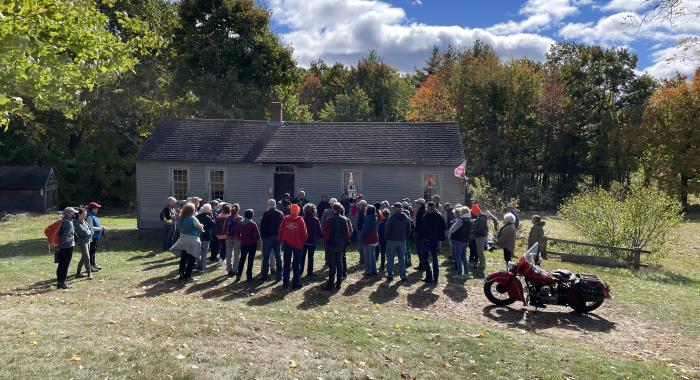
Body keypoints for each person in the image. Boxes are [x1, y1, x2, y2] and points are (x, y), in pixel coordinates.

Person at [170, 203, 204, 282]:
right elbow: (200, 228)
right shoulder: (193, 218)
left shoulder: (181, 217)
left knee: (183, 258)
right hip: (192, 240)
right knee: (191, 258)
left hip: (183, 239)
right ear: (192, 210)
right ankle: (188, 276)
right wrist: (201, 226)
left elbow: (178, 227)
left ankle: (181, 275)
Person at [278, 204, 307, 289]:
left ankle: (285, 283)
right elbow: (305, 234)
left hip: (287, 244)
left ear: (290, 210)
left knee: (286, 263)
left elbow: (280, 231)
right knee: (296, 264)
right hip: (298, 245)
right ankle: (295, 283)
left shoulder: (285, 219)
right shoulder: (300, 220)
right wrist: (302, 241)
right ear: (298, 211)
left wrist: (282, 240)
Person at [322, 203, 350, 290]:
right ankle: (338, 283)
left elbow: (327, 234)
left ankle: (331, 284)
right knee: (339, 263)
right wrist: (344, 242)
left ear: (333, 209)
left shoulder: (329, 220)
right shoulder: (344, 219)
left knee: (332, 265)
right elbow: (347, 233)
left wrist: (325, 244)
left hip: (331, 244)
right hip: (340, 244)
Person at [419, 201, 447, 284]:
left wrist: (421, 237)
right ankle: (435, 278)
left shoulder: (426, 216)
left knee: (425, 257)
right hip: (435, 240)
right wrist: (440, 238)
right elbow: (443, 227)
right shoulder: (439, 216)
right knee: (434, 258)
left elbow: (422, 228)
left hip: (427, 240)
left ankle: (429, 277)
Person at [384, 203, 412, 281]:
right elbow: (409, 229)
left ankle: (390, 275)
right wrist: (405, 237)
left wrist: (386, 238)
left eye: (394, 208)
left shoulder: (392, 218)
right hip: (402, 241)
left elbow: (387, 229)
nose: (392, 209)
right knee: (401, 259)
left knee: (390, 258)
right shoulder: (406, 217)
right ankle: (403, 276)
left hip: (392, 241)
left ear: (396, 208)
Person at [260, 199, 284, 281]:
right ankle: (279, 275)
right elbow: (283, 226)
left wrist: (262, 237)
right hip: (277, 237)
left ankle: (264, 275)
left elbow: (262, 226)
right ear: (275, 205)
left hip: (267, 238)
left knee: (266, 257)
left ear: (268, 205)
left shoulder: (266, 213)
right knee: (278, 256)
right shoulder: (280, 213)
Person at [235, 209, 260, 282]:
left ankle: (238, 275)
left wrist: (242, 239)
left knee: (242, 259)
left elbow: (237, 234)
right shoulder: (253, 224)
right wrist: (254, 240)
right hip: (252, 244)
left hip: (243, 243)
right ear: (252, 215)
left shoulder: (239, 223)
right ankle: (249, 276)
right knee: (250, 260)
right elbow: (257, 235)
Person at [56, 207, 78, 289]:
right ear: (69, 214)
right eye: (73, 213)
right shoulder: (68, 223)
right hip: (66, 247)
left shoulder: (62, 220)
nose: (74, 215)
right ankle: (62, 283)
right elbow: (64, 236)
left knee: (61, 265)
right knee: (64, 265)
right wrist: (60, 246)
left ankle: (60, 282)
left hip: (63, 246)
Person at [449, 207, 473, 279]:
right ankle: (466, 273)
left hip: (458, 241)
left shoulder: (461, 220)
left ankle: (459, 274)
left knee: (458, 257)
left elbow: (451, 230)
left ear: (462, 212)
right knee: (464, 257)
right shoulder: (470, 220)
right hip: (466, 241)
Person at [301, 203, 322, 277]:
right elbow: (319, 231)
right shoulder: (316, 220)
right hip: (312, 242)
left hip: (303, 241)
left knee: (302, 257)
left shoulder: (302, 219)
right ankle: (309, 273)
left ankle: (300, 271)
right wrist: (318, 238)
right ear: (314, 211)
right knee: (310, 257)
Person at [74, 207, 94, 280]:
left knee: (84, 257)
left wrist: (89, 232)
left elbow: (91, 230)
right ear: (79, 214)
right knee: (87, 257)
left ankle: (78, 273)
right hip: (82, 242)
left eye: (86, 214)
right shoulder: (76, 222)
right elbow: (83, 232)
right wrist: (88, 232)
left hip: (87, 241)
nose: (85, 216)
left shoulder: (84, 222)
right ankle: (89, 273)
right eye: (84, 214)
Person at [196, 204, 216, 271]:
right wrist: (212, 216)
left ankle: (198, 265)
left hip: (198, 235)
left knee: (198, 251)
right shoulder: (208, 218)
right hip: (206, 236)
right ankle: (203, 267)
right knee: (204, 253)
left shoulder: (197, 216)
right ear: (208, 210)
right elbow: (214, 225)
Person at [86, 202, 105, 272]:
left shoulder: (94, 216)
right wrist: (100, 229)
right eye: (96, 208)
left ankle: (93, 264)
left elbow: (96, 225)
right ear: (92, 209)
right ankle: (90, 266)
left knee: (93, 252)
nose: (97, 209)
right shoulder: (89, 216)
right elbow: (90, 227)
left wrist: (101, 227)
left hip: (96, 236)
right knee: (91, 252)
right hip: (92, 237)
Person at [224, 204, 243, 277]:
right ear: (238, 210)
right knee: (236, 255)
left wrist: (227, 234)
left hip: (228, 238)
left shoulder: (228, 218)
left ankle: (229, 270)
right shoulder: (240, 218)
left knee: (228, 254)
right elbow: (242, 228)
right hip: (237, 238)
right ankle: (235, 270)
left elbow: (224, 228)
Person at [360, 205, 379, 276]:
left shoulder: (367, 218)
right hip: (374, 238)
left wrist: (362, 236)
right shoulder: (375, 218)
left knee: (368, 256)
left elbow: (365, 230)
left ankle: (368, 271)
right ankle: (374, 270)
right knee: (372, 255)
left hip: (369, 239)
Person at [471, 204, 489, 271]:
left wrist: (473, 231)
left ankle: (482, 265)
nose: (474, 214)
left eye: (474, 212)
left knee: (480, 251)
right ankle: (482, 263)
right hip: (479, 236)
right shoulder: (480, 218)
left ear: (477, 212)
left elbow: (481, 229)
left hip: (480, 236)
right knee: (479, 251)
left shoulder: (482, 218)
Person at [339, 205, 353, 279]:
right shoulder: (347, 219)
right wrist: (347, 238)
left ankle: (341, 272)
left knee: (338, 257)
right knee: (343, 256)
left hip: (339, 240)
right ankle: (344, 272)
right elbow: (351, 230)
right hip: (344, 240)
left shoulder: (344, 219)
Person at [355, 199, 368, 264]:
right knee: (365, 244)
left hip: (360, 230)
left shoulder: (361, 212)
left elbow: (360, 222)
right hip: (366, 230)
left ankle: (362, 259)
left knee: (361, 245)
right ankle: (365, 258)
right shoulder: (367, 211)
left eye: (359, 205)